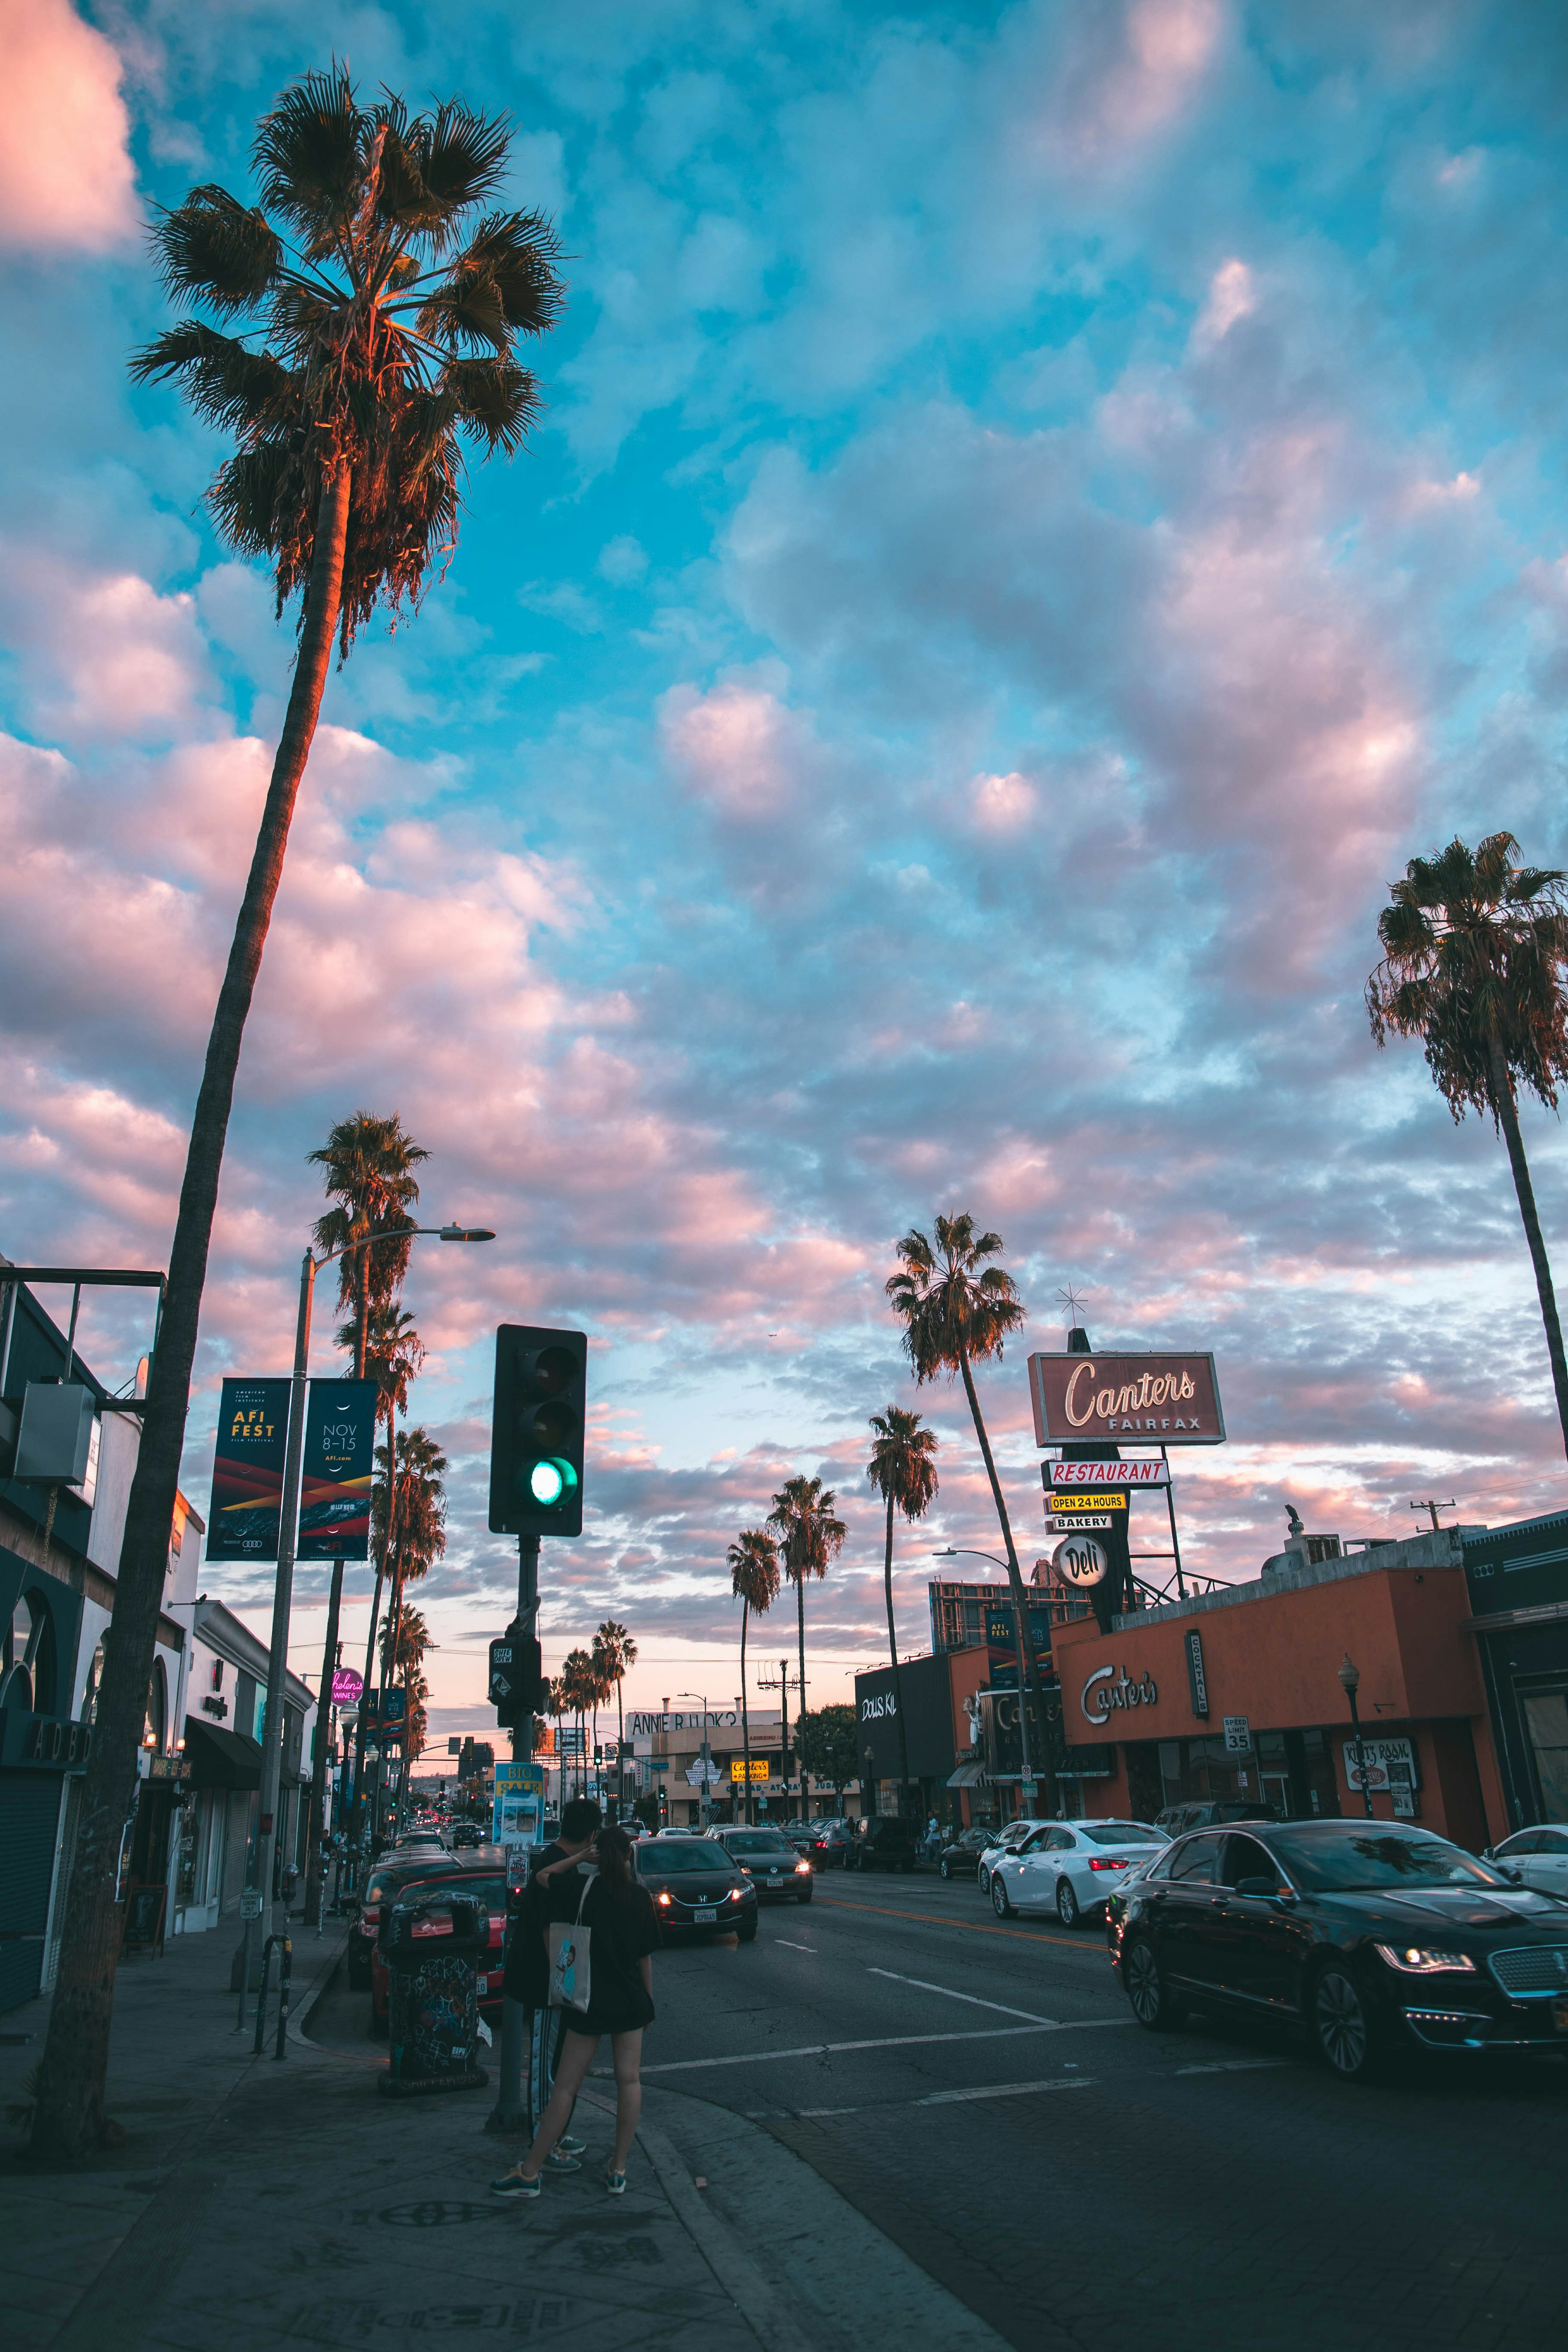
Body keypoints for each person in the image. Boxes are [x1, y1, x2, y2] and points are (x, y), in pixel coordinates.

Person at [491, 1825, 658, 2200]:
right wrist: (649, 2003)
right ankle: (618, 2168)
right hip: (630, 2000)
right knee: (629, 2082)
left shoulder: (583, 1891)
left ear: (599, 1855)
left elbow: (543, 1876)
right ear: (630, 1856)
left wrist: (581, 1857)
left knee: (565, 2087)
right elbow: (645, 1957)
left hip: (588, 1999)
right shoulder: (640, 1897)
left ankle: (530, 2171)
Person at [500, 1795, 602, 2162]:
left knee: (554, 2060)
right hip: (545, 1982)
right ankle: (543, 2143)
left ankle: (555, 2133)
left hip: (553, 1979)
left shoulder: (557, 1863)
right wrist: (561, 1983)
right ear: (591, 1832)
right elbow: (550, 1932)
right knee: (544, 2062)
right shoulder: (556, 1867)